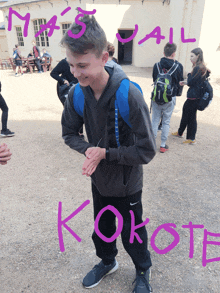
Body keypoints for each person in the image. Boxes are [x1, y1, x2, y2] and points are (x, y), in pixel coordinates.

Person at [61, 14, 156, 293]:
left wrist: (107, 154)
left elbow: (147, 150)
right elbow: (68, 134)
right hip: (99, 180)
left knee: (132, 233)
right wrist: (90, 150)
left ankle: (142, 270)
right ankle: (107, 261)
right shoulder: (76, 94)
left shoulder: (129, 95)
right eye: (70, 65)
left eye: (82, 65)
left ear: (104, 58)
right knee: (102, 226)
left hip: (128, 184)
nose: (76, 74)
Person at [172, 48, 210, 144]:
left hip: (194, 97)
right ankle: (180, 132)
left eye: (192, 56)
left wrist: (188, 75)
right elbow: (194, 82)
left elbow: (191, 81)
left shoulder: (198, 68)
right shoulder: (200, 67)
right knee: (186, 113)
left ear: (198, 56)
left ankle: (191, 138)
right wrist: (185, 82)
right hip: (194, 95)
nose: (190, 58)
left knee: (191, 117)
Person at [151, 42, 183, 153]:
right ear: (174, 54)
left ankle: (151, 143)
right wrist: (177, 95)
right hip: (170, 97)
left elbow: (155, 79)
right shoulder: (178, 66)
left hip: (156, 97)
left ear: (164, 52)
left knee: (154, 120)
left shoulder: (156, 65)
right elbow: (179, 83)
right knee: (166, 122)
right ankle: (163, 145)